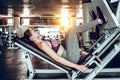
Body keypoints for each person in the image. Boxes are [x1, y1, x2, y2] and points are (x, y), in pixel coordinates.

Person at [24, 18, 104, 73]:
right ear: (31, 38)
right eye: (34, 32)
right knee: (72, 31)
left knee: (69, 31)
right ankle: (98, 21)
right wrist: (77, 67)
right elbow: (57, 58)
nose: (36, 31)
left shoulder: (41, 42)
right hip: (70, 57)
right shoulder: (42, 44)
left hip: (67, 51)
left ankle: (96, 21)